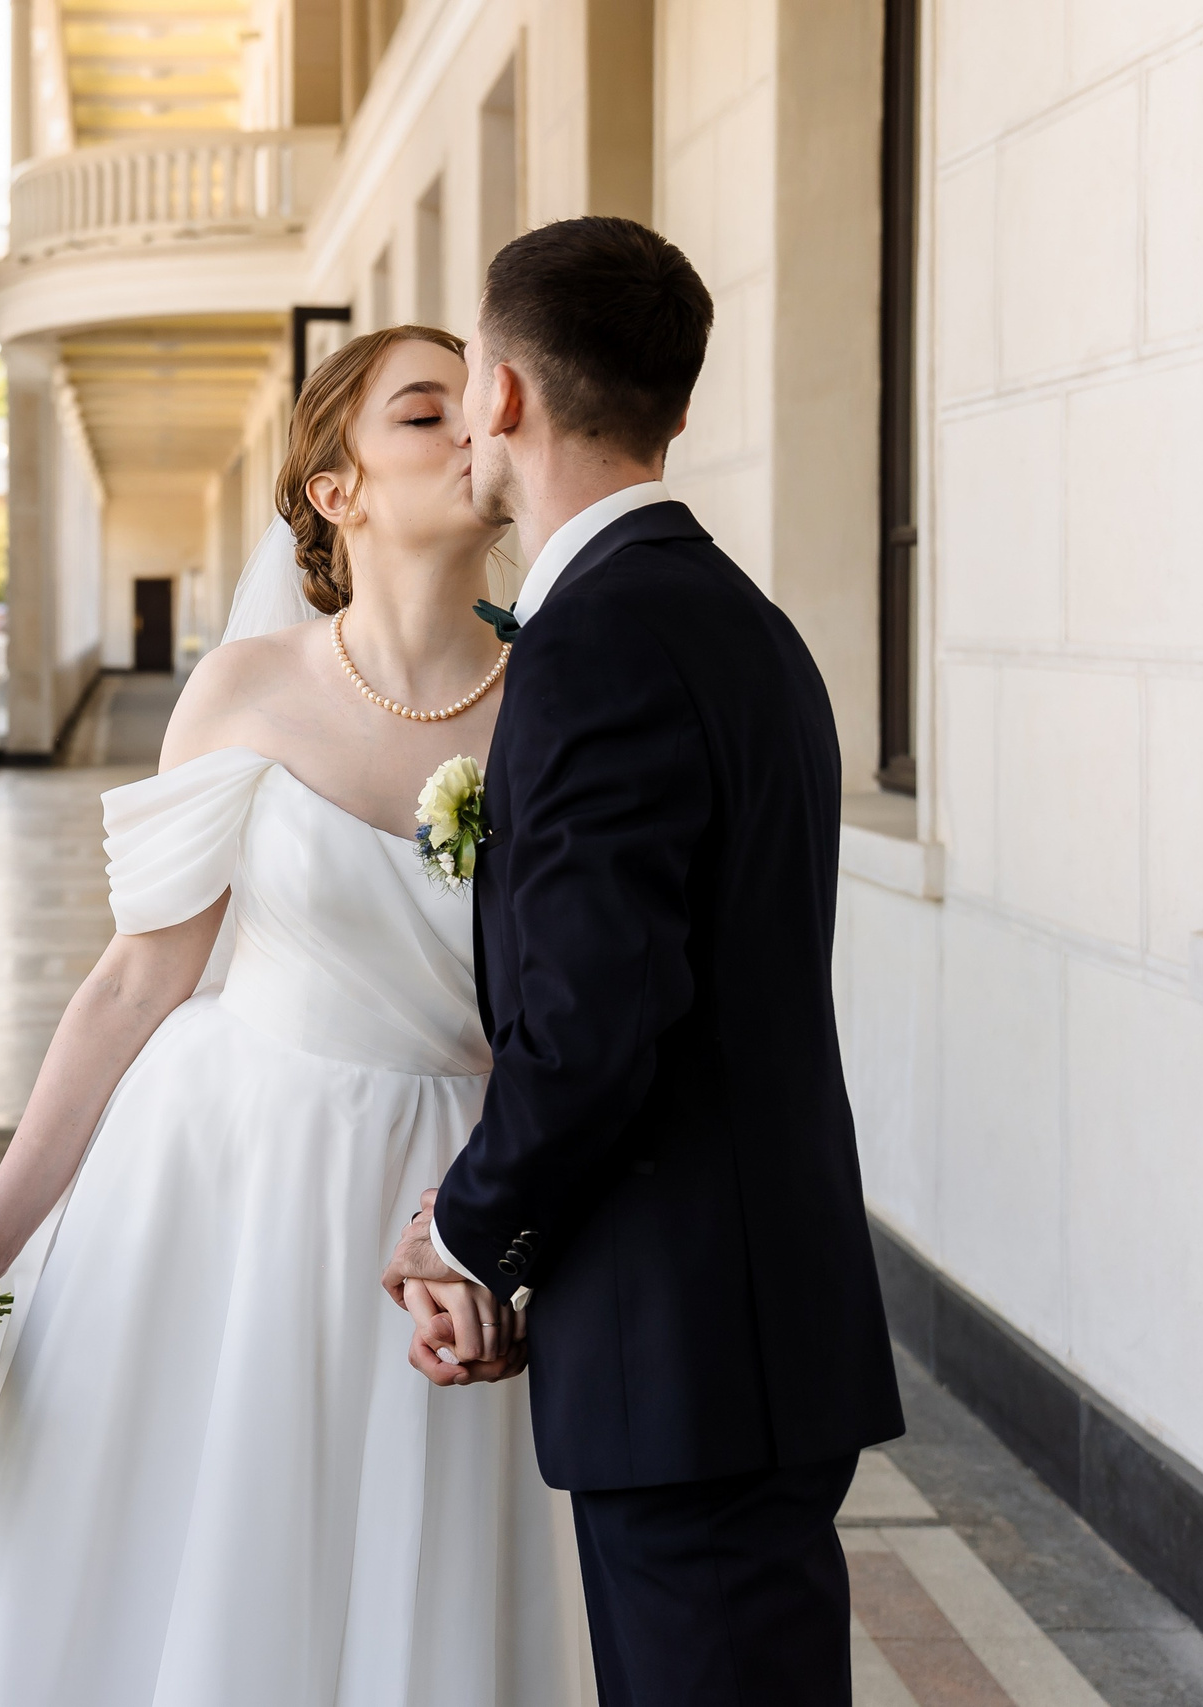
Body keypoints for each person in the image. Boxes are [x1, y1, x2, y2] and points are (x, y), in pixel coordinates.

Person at [0, 324, 594, 1706]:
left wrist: (513, 1235)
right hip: (226, 1175)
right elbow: (138, 978)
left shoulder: (559, 696)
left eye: (476, 407)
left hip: (451, 1193)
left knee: (417, 1570)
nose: (471, 430)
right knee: (201, 1547)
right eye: (423, 412)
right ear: (336, 490)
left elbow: (583, 1013)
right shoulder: (245, 688)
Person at [380, 216, 904, 1703]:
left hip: (690, 1354)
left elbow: (596, 1025)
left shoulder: (598, 642)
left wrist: (464, 1232)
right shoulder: (742, 623)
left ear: (501, 394)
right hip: (747, 1325)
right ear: (672, 405)